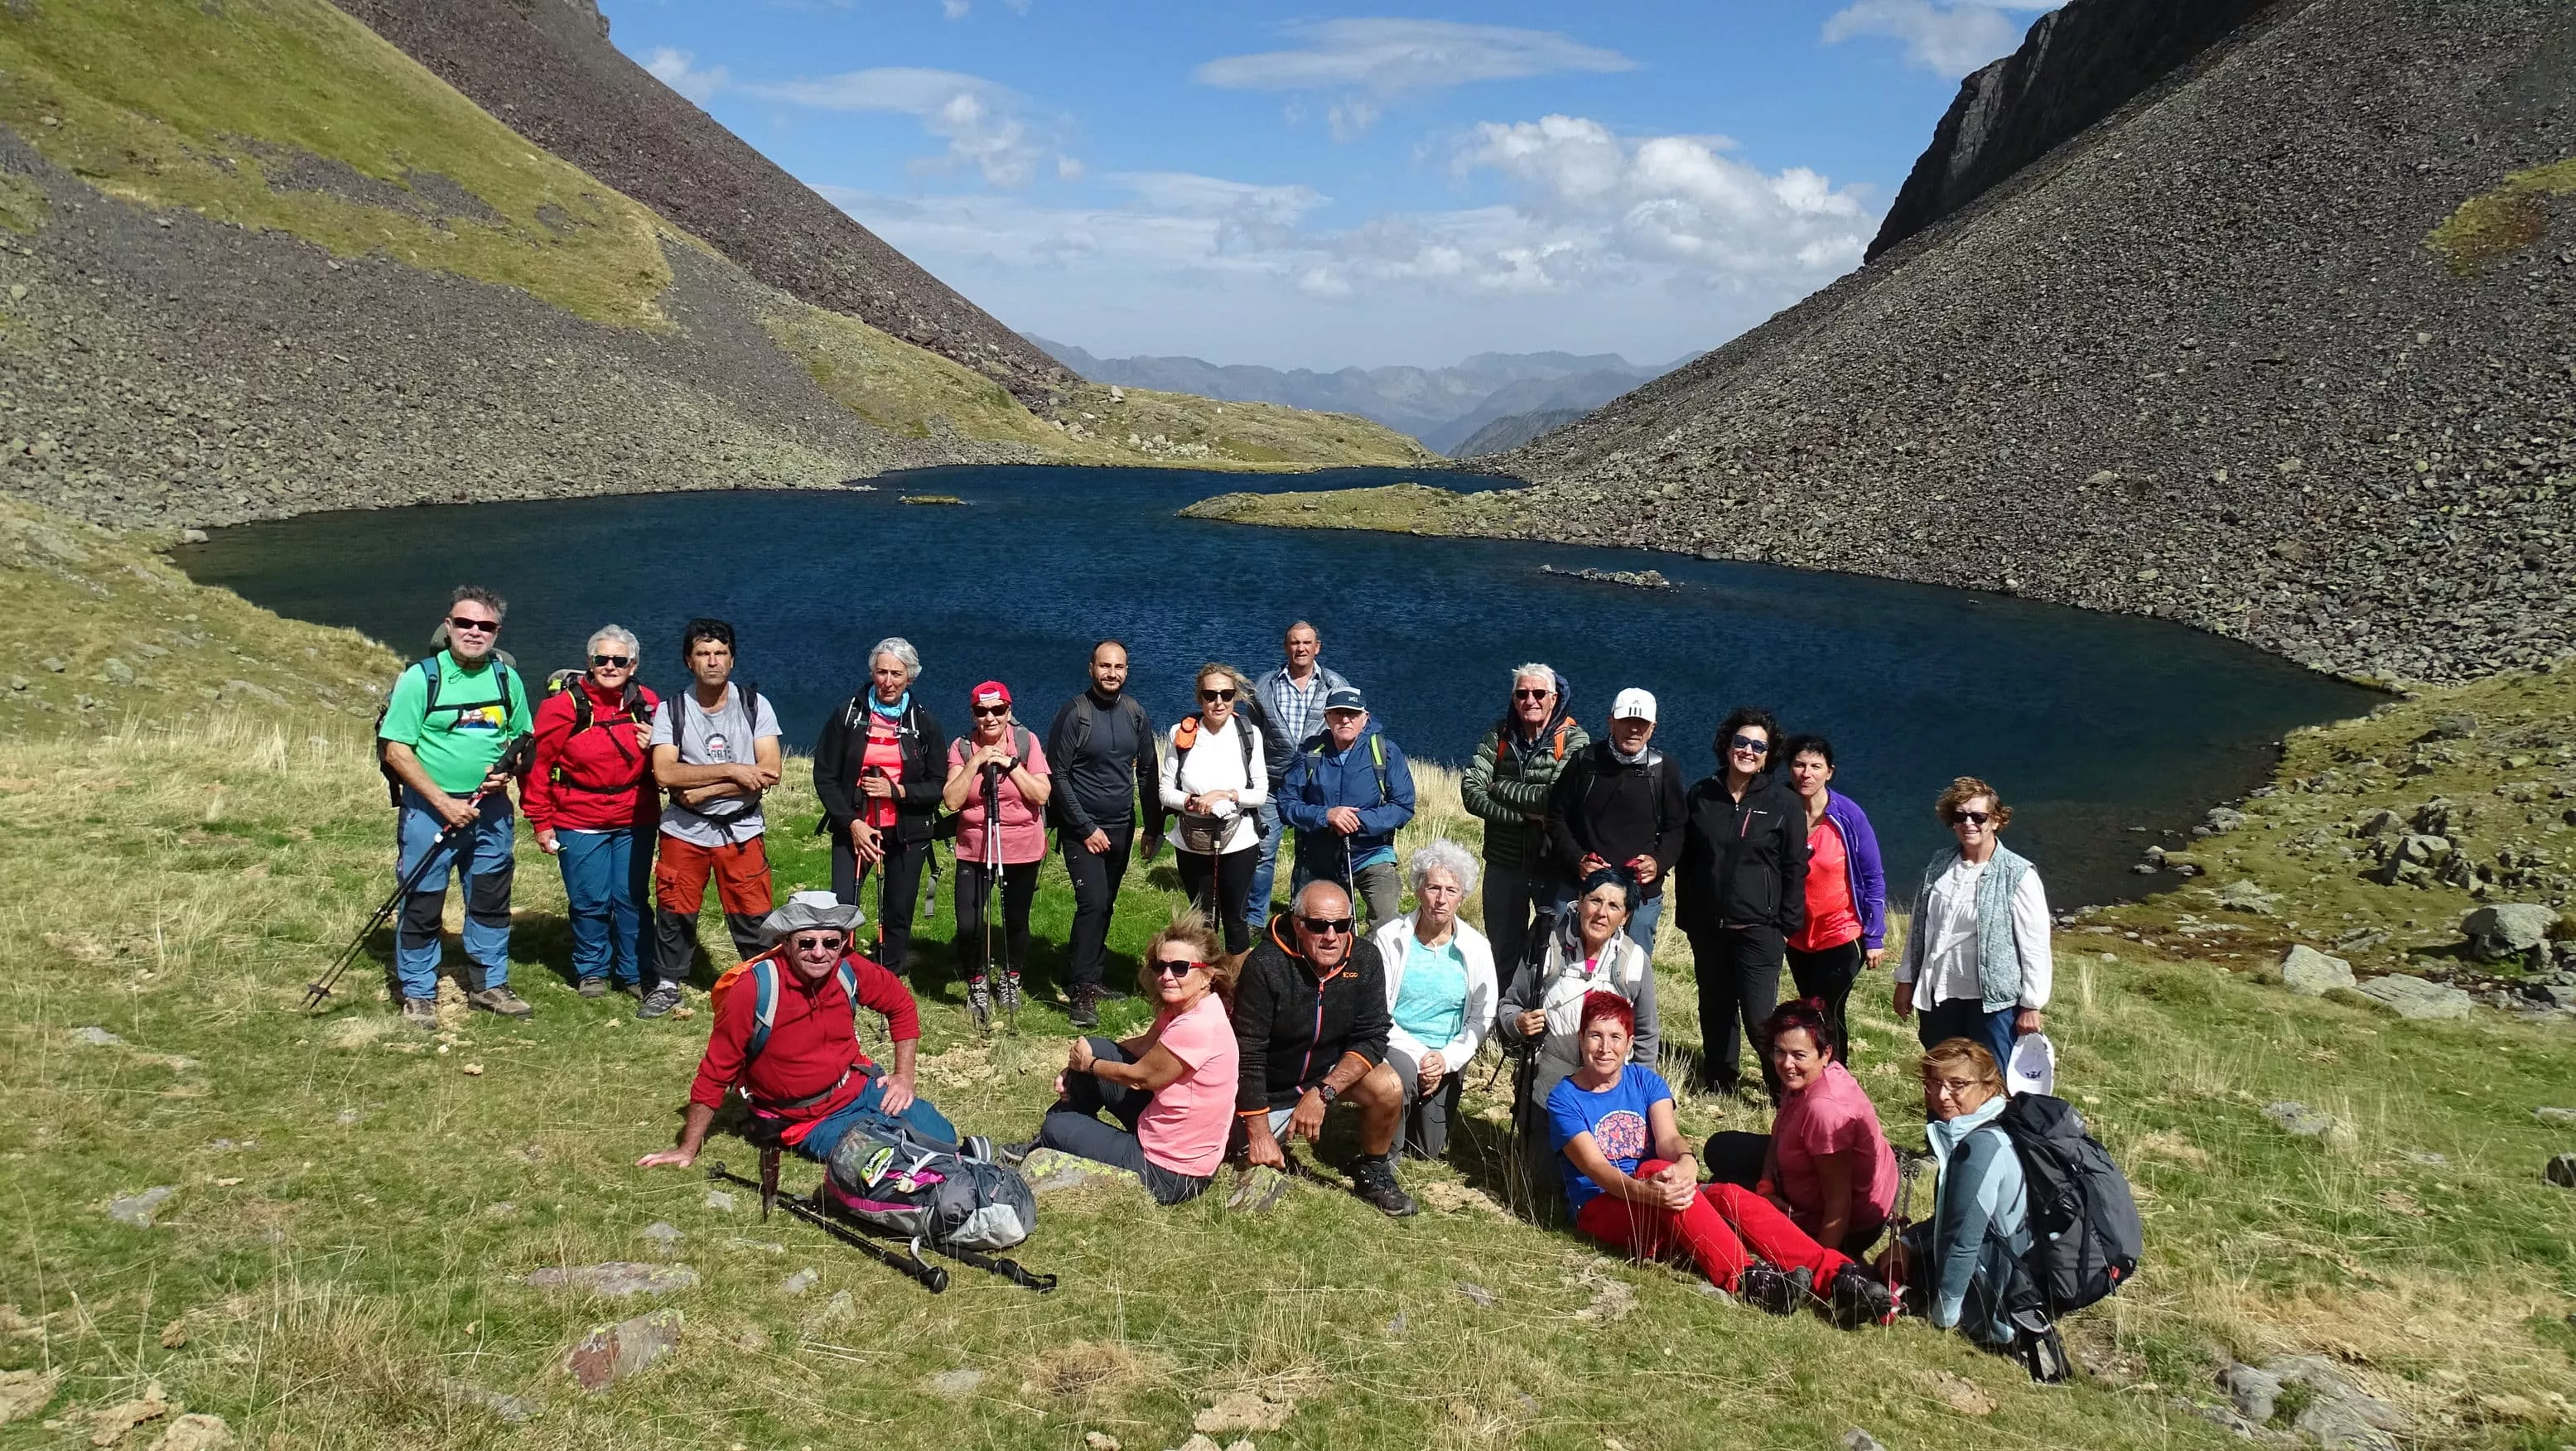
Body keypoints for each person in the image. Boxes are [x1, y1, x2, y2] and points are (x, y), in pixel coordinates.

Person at [1550, 992, 1890, 1322]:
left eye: (1615, 1037)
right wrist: (1648, 1191)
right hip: (1604, 1205)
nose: (1605, 1047)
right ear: (1581, 1039)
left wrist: (1686, 1162)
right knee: (1659, 1171)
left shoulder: (1645, 1080)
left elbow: (1668, 1138)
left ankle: (1836, 1276)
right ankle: (1747, 1279)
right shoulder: (1564, 1099)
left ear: (1630, 1042)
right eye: (1595, 1035)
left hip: (1662, 1193)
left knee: (1726, 1193)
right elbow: (1596, 1169)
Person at [638, 891, 955, 1170]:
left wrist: (904, 1076)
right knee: (887, 1162)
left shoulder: (849, 967)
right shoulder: (754, 989)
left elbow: (901, 1005)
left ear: (843, 943)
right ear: (785, 943)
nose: (820, 953)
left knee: (943, 1138)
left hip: (860, 1088)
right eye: (807, 942)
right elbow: (715, 1073)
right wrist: (687, 1149)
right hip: (806, 1121)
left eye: (831, 942)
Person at [376, 586, 533, 1026]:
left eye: (485, 626)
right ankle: (419, 992)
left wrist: (511, 769)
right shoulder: (421, 679)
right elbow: (397, 751)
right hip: (430, 813)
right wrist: (445, 803)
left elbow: (524, 738)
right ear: (448, 626)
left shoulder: (506, 678)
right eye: (464, 623)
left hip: (492, 812)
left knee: (489, 900)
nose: (474, 632)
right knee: (423, 901)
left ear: (496, 632)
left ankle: (489, 985)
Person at [1232, 881, 1417, 1216]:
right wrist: (1258, 1132)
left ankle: (1374, 1170)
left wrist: (1323, 1093)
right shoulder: (1265, 964)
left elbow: (1374, 1036)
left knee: (1389, 1084)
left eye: (1342, 925)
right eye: (1318, 925)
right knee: (1226, 1155)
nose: (1331, 936)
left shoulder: (1366, 958)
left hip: (1326, 1076)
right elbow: (1249, 1053)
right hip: (1270, 1086)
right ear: (1296, 923)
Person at [1031, 912, 1241, 1205]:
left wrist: (1088, 1066)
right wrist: (1077, 1067)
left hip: (1170, 1173)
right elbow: (1141, 1046)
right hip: (1167, 1138)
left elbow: (1141, 1078)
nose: (1167, 976)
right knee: (1098, 1046)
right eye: (1161, 966)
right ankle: (1064, 1136)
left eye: (1180, 968)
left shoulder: (1197, 1026)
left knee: (1056, 1127)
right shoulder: (1187, 1007)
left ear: (1208, 974)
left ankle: (1052, 1140)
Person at [645, 619, 782, 1020]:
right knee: (674, 907)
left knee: (752, 909)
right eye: (703, 653)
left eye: (720, 653)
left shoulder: (756, 705)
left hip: (741, 828)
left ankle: (763, 983)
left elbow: (771, 770)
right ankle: (667, 984)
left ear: (732, 660)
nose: (712, 661)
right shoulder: (671, 710)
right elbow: (665, 774)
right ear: (689, 660)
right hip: (684, 830)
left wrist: (705, 788)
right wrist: (736, 772)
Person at [1700, 1000, 1899, 1268]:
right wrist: (1766, 1185)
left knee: (1721, 1193)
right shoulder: (1806, 1077)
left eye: (1798, 1055)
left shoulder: (1825, 1111)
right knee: (1720, 1149)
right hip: (1804, 1164)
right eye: (1779, 1051)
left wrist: (1819, 1266)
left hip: (1852, 1221)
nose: (1786, 1063)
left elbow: (1839, 1204)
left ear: (1826, 1053)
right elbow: (1780, 1131)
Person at [1675, 706, 1808, 1098]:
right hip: (1707, 925)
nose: (1748, 751)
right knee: (1714, 1007)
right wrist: (1688, 914)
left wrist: (1786, 924)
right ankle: (1720, 1080)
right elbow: (1687, 857)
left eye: (1758, 746)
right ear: (1727, 745)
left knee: (1759, 1016)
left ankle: (1780, 1088)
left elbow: (1794, 865)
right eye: (1741, 742)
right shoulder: (1703, 794)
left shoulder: (1783, 803)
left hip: (1760, 928)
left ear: (1768, 756)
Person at [525, 624, 660, 1000]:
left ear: (633, 665)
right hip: (578, 819)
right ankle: (592, 970)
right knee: (589, 900)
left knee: (631, 898)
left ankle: (636, 972)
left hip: (636, 818)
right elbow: (538, 767)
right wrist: (541, 821)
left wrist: (658, 745)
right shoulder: (562, 707)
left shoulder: (647, 703)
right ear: (590, 662)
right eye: (602, 659)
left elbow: (669, 762)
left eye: (620, 660)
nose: (610, 667)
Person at [1879, 1039, 2031, 1349]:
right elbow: (1956, 1218)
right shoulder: (1998, 1125)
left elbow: (1963, 1239)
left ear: (1989, 1087)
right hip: (2020, 1284)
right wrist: (1907, 1243)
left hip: (1997, 1312)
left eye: (1957, 1084)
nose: (1942, 1095)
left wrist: (1943, 1320)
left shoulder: (1981, 1148)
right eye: (1934, 1083)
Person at [1892, 777, 2051, 1070]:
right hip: (1939, 994)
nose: (1969, 823)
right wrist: (1905, 981)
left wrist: (2031, 1004)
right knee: (1941, 1075)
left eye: (1979, 817)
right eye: (1960, 816)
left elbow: (2035, 945)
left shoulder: (2018, 873)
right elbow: (1918, 927)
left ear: (1996, 821)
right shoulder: (1939, 865)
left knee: (1991, 1081)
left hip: (1992, 1004)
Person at [1046, 639, 1165, 1029]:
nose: (1112, 673)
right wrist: (1084, 827)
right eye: (1105, 666)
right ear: (1091, 668)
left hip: (1121, 826)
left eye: (1119, 667)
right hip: (1082, 829)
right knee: (1093, 904)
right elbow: (1057, 775)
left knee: (1107, 905)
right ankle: (1081, 988)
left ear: (1126, 671)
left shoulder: (1135, 713)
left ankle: (1091, 976)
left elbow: (1148, 771)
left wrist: (1154, 826)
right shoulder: (1074, 714)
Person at [813, 638, 946, 976]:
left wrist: (897, 790)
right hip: (855, 827)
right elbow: (825, 775)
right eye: (881, 672)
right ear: (872, 672)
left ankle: (890, 969)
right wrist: (850, 823)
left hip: (907, 830)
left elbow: (937, 785)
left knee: (899, 907)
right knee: (844, 903)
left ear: (910, 677)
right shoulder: (847, 715)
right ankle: (837, 968)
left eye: (897, 674)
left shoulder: (924, 723)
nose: (888, 681)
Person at [1498, 865, 1660, 1130]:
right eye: (1595, 900)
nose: (1601, 913)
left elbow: (1645, 1034)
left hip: (1609, 1099)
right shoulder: (1545, 949)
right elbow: (1509, 1005)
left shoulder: (1635, 963)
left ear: (1625, 917)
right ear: (1580, 902)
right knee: (1540, 1171)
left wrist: (1641, 1096)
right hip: (1547, 1091)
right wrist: (1518, 1023)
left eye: (1613, 906)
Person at [1368, 839, 1498, 1161]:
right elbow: (1379, 1010)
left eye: (1451, 891)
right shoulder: (1390, 937)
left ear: (1462, 897)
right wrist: (1422, 1055)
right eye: (1433, 888)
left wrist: (1447, 1059)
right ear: (1418, 890)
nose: (1441, 900)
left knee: (1427, 1150)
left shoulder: (1477, 947)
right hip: (1398, 1045)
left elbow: (1484, 1015)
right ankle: (1381, 1161)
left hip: (1447, 1054)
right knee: (1401, 1083)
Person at [1463, 663, 1585, 986]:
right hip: (1504, 861)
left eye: (1539, 693)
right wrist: (1521, 817)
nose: (1530, 700)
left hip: (1552, 865)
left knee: (1553, 949)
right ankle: (1501, 1020)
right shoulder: (1499, 735)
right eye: (1522, 693)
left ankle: (1544, 1022)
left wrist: (1498, 788)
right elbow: (1470, 792)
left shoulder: (1574, 740)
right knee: (1502, 948)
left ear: (1554, 698)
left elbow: (1555, 799)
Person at [943, 680, 1051, 1024]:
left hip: (1022, 848)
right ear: (973, 714)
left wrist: (1011, 764)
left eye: (997, 710)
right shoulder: (960, 748)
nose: (989, 718)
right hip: (973, 849)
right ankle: (976, 981)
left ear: (1009, 711)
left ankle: (1011, 980)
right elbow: (952, 800)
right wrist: (975, 762)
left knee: (1016, 921)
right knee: (969, 923)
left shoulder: (1026, 741)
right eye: (981, 711)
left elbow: (1041, 795)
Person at [1545, 687, 1683, 955]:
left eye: (1641, 724)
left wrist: (1658, 862)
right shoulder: (1584, 762)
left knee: (1630, 975)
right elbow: (1556, 816)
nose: (1634, 729)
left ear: (1652, 728)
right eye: (1626, 721)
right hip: (1580, 886)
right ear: (1611, 721)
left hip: (1640, 894)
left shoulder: (1663, 770)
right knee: (1561, 964)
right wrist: (1578, 860)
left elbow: (1676, 828)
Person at [1778, 735, 1888, 1063]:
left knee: (1826, 1008)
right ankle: (1813, 1073)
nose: (1806, 774)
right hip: (1797, 935)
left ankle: (1836, 1077)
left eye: (1815, 766)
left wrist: (1875, 935)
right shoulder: (1781, 808)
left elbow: (1872, 876)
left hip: (1840, 932)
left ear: (1830, 772)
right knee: (1810, 1006)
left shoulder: (1848, 816)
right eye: (1799, 765)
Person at [1277, 687, 1416, 930]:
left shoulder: (1385, 752)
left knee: (1387, 926)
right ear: (1327, 718)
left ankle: (1378, 966)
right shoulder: (1310, 753)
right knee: (1318, 928)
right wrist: (1327, 816)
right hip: (1319, 860)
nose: (1345, 720)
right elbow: (1287, 804)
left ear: (1365, 718)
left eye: (1352, 714)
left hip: (1372, 855)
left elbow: (1403, 807)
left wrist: (1358, 821)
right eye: (1338, 713)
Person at [1247, 620, 1350, 934]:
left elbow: (1349, 729)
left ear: (1317, 647)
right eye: (1294, 643)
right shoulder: (1264, 686)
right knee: (1263, 853)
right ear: (1285, 646)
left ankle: (1301, 913)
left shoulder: (1335, 685)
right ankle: (1254, 917)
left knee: (1311, 856)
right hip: (1272, 783)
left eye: (1307, 643)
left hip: (1316, 787)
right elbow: (1250, 735)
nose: (1300, 649)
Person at [1160, 663, 1268, 953]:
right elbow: (1165, 791)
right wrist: (1194, 803)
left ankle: (1238, 989)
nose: (1218, 702)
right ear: (1199, 698)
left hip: (1240, 840)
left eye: (1226, 694)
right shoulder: (1181, 734)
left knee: (1235, 919)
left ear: (1235, 697)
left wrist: (1225, 795)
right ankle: (1201, 985)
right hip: (1191, 841)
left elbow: (1260, 794)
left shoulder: (1249, 734)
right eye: (1210, 695)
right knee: (1201, 921)